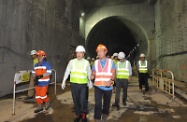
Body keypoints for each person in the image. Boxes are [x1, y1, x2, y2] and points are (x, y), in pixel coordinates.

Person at [61, 45, 93, 122]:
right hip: (74, 84)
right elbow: (67, 71)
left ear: (83, 54)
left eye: (80, 53)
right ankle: (78, 115)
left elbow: (89, 72)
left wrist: (90, 81)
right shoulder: (72, 62)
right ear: (75, 54)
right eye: (77, 53)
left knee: (83, 100)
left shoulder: (86, 63)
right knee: (76, 100)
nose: (79, 54)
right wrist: (64, 81)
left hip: (83, 85)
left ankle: (83, 115)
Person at [91, 44, 116, 122]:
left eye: (101, 51)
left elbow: (114, 74)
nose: (99, 53)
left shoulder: (111, 62)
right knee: (98, 103)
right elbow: (94, 71)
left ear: (105, 52)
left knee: (106, 103)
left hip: (108, 86)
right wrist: (92, 75)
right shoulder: (95, 62)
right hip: (98, 86)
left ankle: (105, 114)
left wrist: (111, 80)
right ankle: (97, 118)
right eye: (98, 52)